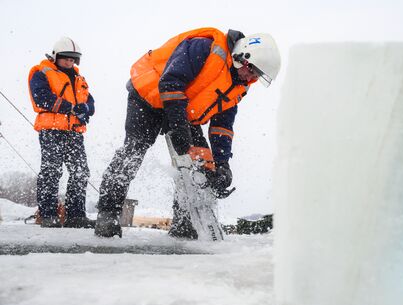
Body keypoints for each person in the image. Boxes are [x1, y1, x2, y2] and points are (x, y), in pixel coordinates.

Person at [94, 27, 281, 238]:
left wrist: (222, 165)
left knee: (203, 165)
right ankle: (107, 214)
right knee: (134, 151)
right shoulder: (204, 47)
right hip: (148, 96)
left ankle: (185, 223)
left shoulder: (239, 85)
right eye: (252, 70)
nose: (251, 77)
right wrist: (179, 128)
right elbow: (171, 82)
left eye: (256, 75)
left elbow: (222, 127)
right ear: (243, 57)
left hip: (182, 111)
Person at [28, 37, 96, 228]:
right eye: (66, 58)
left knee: (81, 171)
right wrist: (72, 108)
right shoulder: (42, 72)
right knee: (51, 171)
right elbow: (41, 98)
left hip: (74, 132)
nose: (69, 62)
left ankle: (75, 216)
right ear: (56, 56)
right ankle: (48, 214)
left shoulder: (79, 79)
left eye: (73, 59)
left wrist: (86, 109)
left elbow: (90, 101)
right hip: (51, 130)